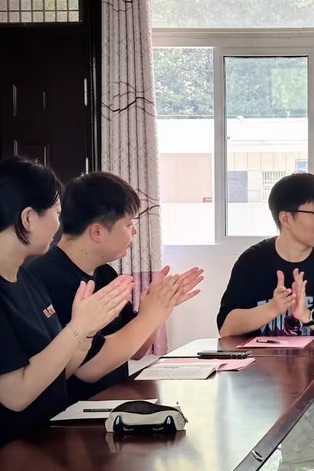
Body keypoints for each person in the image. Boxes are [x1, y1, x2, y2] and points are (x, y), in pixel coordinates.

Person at [0, 157, 133, 457]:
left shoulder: (25, 278)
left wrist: (86, 332)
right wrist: (77, 328)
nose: (59, 224)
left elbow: (56, 373)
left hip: (44, 442)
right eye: (56, 213)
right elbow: (16, 394)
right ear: (28, 218)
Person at [25, 172, 203, 403]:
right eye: (128, 224)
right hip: (72, 414)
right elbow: (90, 368)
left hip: (113, 405)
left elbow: (137, 350)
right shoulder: (49, 279)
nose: (134, 232)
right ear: (97, 232)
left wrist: (160, 306)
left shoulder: (105, 273)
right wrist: (151, 314)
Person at [217, 172, 314, 337]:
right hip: (265, 355)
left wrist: (307, 315)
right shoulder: (252, 262)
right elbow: (226, 329)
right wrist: (272, 309)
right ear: (286, 219)